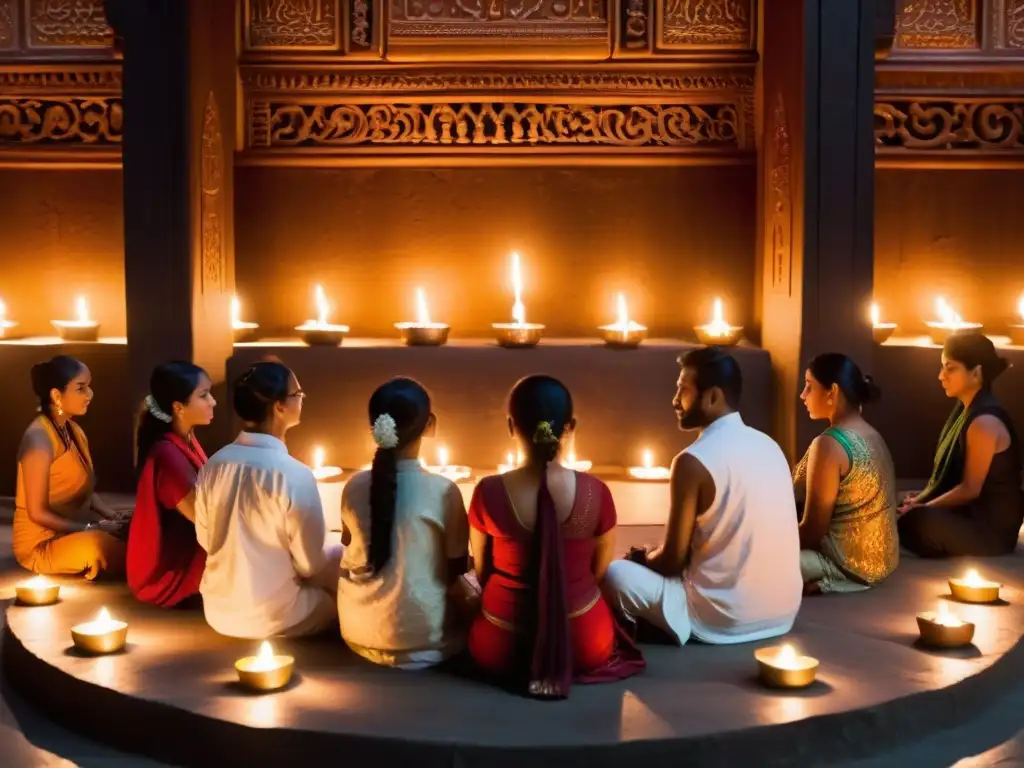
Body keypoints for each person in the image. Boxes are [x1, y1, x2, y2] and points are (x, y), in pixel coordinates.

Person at [602, 346, 802, 646]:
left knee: (616, 573)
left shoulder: (692, 461)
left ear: (712, 397)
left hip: (723, 619)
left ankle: (667, 626)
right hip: (783, 612)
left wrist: (642, 559)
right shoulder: (771, 446)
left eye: (683, 390)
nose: (674, 400)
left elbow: (671, 561)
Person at [467, 375, 644, 699]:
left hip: (502, 643)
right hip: (583, 641)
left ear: (511, 426)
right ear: (570, 426)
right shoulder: (596, 493)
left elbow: (482, 574)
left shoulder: (487, 492)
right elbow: (598, 572)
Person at [194, 361, 341, 639]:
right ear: (279, 406)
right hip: (276, 615)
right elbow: (310, 565)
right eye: (297, 394)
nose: (302, 399)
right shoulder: (293, 473)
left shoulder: (213, 464)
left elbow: (206, 539)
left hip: (217, 611)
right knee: (343, 572)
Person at [337, 378, 469, 669]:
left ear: (375, 428)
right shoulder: (444, 491)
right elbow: (456, 570)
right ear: (430, 424)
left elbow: (347, 546)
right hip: (426, 640)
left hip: (357, 632)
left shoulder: (353, 486)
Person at [898, 334, 1023, 557]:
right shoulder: (968, 412)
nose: (941, 376)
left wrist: (925, 507)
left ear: (976, 373)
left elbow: (969, 489)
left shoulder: (984, 423)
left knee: (912, 520)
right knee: (905, 504)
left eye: (950, 368)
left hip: (991, 531)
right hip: (970, 513)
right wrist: (920, 499)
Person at [13, 356, 127, 579]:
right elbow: (37, 513)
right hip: (42, 544)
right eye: (81, 388)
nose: (90, 394)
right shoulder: (39, 439)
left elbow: (82, 485)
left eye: (89, 386)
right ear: (57, 395)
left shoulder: (73, 430)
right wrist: (88, 528)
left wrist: (111, 515)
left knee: (133, 527)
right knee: (98, 545)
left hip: (75, 530)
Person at [794, 353, 898, 594]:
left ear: (832, 391)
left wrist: (767, 542)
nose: (802, 395)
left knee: (748, 559)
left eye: (809, 386)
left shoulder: (829, 444)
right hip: (881, 564)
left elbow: (812, 531)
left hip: (843, 564)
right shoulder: (871, 433)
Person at [126, 362, 214, 608]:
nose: (213, 402)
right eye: (204, 395)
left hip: (190, 551)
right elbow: (206, 519)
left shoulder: (186, 439)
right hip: (169, 575)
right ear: (178, 407)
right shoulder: (167, 454)